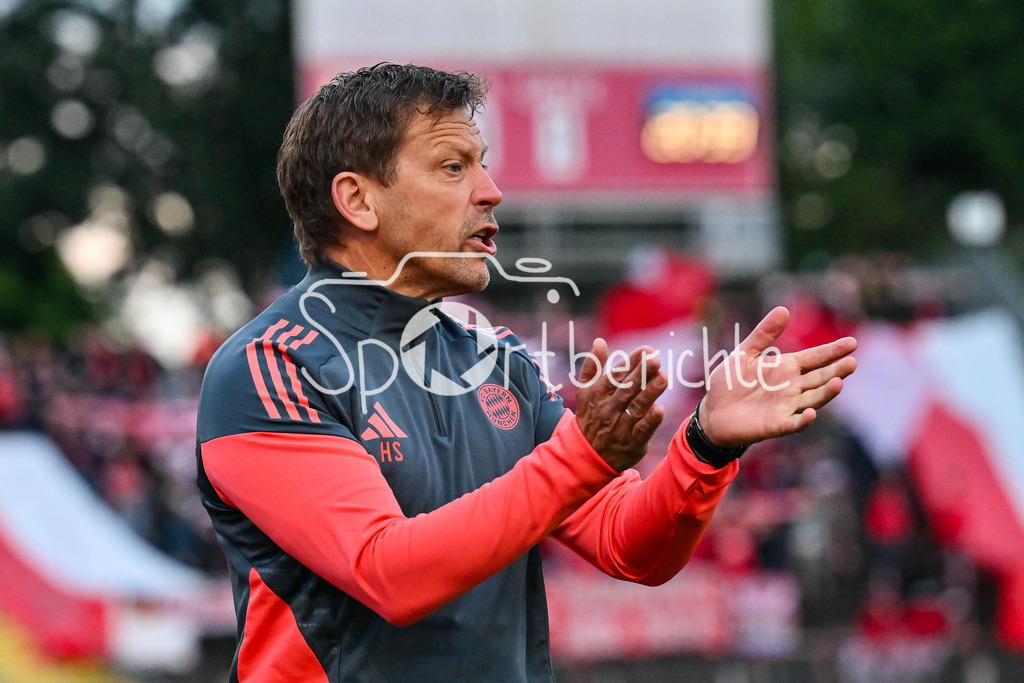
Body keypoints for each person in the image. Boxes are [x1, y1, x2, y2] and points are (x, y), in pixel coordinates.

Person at [195, 63, 857, 682]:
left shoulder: (496, 360)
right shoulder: (271, 365)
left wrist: (707, 445)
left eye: (482, 165)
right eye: (453, 167)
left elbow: (631, 547)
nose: (492, 191)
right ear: (359, 201)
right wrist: (580, 455)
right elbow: (389, 572)